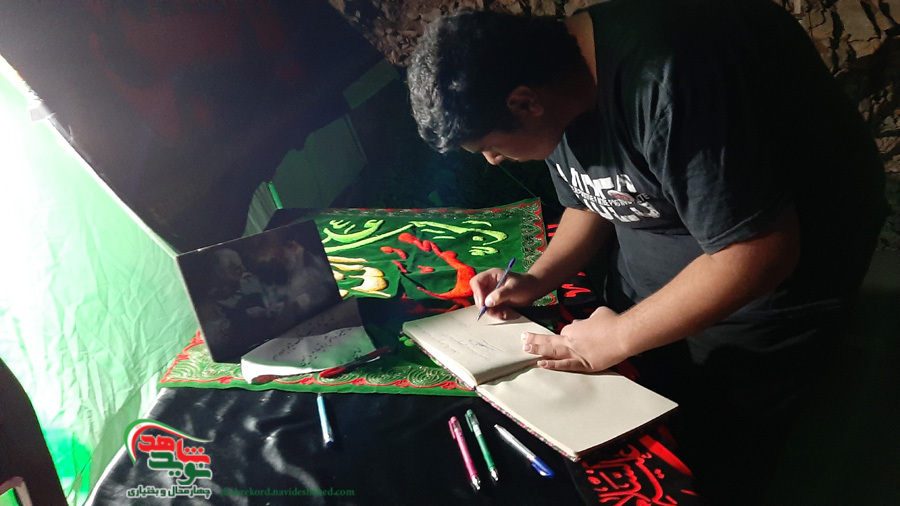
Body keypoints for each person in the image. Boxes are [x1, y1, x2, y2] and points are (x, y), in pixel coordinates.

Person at [407, 0, 888, 503]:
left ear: (525, 104)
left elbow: (758, 252)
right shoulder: (549, 75)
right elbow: (594, 195)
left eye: (490, 145)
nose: (492, 159)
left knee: (720, 446)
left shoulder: (672, 81)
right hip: (679, 249)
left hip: (770, 282)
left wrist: (620, 336)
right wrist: (536, 279)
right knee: (643, 404)